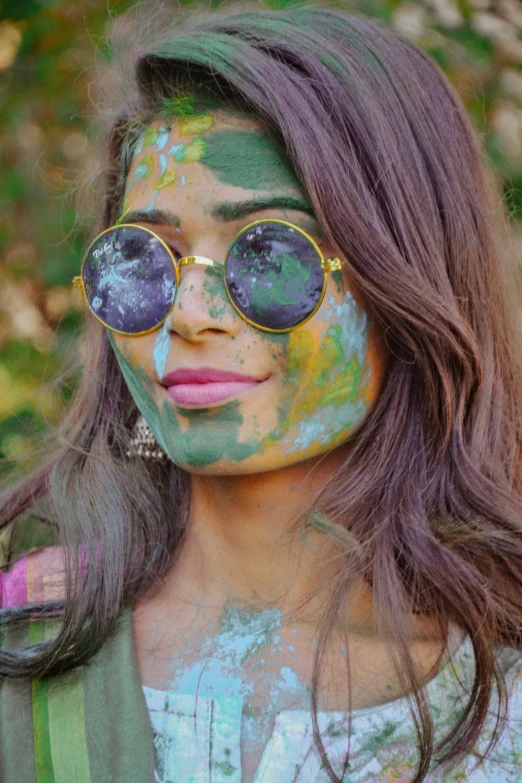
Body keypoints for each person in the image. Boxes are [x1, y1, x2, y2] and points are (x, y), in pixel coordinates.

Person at [1, 2, 521, 781]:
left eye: (271, 251)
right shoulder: (27, 651)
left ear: (403, 283)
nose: (190, 314)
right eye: (145, 257)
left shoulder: (500, 705)